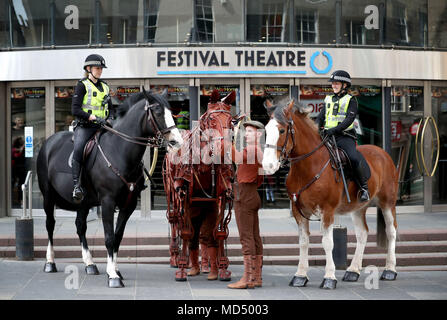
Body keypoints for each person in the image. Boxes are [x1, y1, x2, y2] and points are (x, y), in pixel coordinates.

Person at [315, 70, 371, 202]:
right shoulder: (328, 99)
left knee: (353, 157)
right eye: (333, 83)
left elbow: (349, 120)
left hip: (344, 137)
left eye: (336, 83)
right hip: (327, 136)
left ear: (344, 85)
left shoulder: (351, 100)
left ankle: (364, 188)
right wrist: (316, 128)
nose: (333, 85)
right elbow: (320, 117)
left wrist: (334, 130)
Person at [228, 120, 264, 289]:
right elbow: (261, 176)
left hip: (244, 194)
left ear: (259, 134)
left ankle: (247, 279)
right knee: (255, 236)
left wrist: (229, 138)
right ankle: (256, 277)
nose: (247, 133)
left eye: (250, 131)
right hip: (252, 194)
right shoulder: (259, 151)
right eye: (246, 131)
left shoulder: (251, 150)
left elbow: (232, 156)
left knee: (246, 237)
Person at [71, 54, 112, 203]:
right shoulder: (82, 85)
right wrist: (91, 117)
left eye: (101, 68)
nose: (100, 71)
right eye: (97, 68)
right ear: (89, 69)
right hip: (86, 126)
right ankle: (76, 186)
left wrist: (110, 118)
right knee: (79, 148)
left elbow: (110, 108)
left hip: (103, 126)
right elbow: (75, 109)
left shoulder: (105, 86)